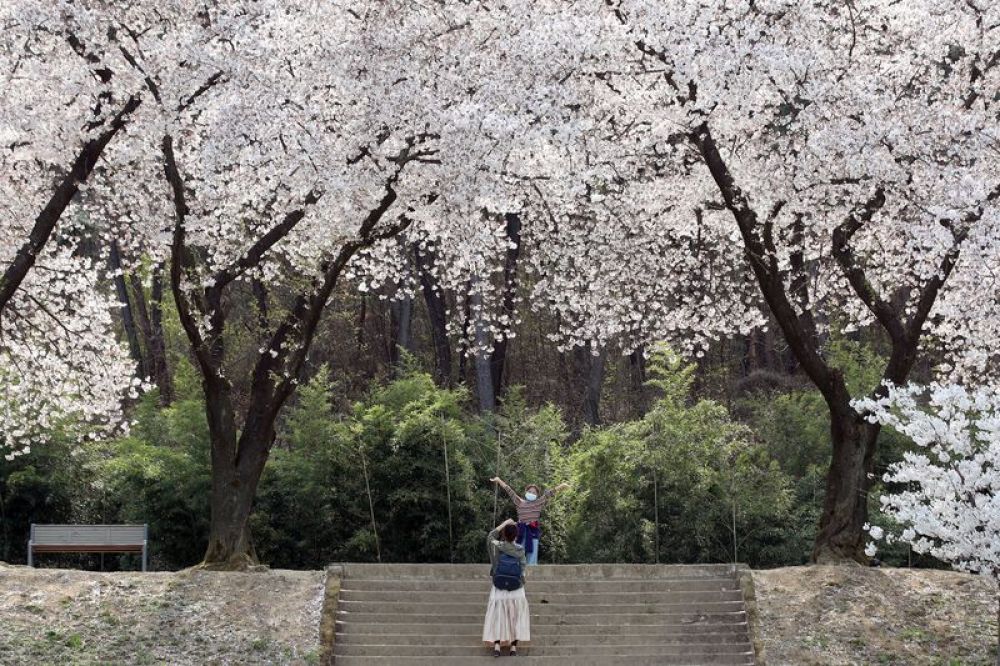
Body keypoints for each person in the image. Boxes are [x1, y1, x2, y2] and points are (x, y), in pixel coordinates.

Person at [490, 477, 570, 565]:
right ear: (526, 492)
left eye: (534, 492)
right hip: (519, 533)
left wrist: (561, 486)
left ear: (537, 495)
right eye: (530, 491)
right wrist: (499, 480)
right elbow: (509, 490)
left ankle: (530, 577)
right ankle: (517, 575)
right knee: (517, 557)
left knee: (531, 558)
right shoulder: (519, 502)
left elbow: (549, 494)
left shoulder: (538, 502)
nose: (531, 493)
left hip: (532, 533)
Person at [483, 517, 529, 657]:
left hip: (499, 587)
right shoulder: (520, 550)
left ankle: (497, 646)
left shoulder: (496, 546)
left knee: (498, 616)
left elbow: (490, 536)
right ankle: (513, 648)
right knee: (516, 617)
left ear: (504, 534)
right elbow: (522, 568)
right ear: (516, 535)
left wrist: (504, 523)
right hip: (516, 588)